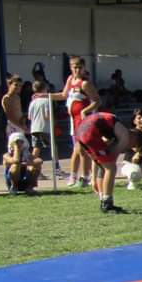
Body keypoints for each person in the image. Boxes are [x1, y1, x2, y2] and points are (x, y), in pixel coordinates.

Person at [75, 111, 142, 213]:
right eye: (133, 145)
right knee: (111, 168)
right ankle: (107, 203)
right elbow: (111, 159)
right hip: (90, 131)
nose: (129, 148)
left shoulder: (114, 133)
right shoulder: (124, 135)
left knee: (105, 165)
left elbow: (98, 161)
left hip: (81, 131)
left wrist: (94, 179)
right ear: (134, 137)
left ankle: (103, 199)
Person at [54, 56, 99, 189]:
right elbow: (63, 95)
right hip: (73, 121)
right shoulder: (70, 79)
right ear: (70, 67)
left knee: (81, 149)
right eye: (74, 67)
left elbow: (97, 100)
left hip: (84, 121)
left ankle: (84, 176)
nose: (77, 70)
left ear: (84, 68)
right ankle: (78, 176)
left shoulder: (85, 83)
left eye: (80, 67)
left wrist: (85, 110)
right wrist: (45, 96)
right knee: (78, 150)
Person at [27, 80, 60, 175]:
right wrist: (53, 121)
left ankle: (32, 168)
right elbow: (47, 115)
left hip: (34, 127)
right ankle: (56, 167)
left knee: (36, 148)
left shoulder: (32, 102)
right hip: (45, 128)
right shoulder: (46, 100)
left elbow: (29, 116)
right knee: (53, 147)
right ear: (45, 89)